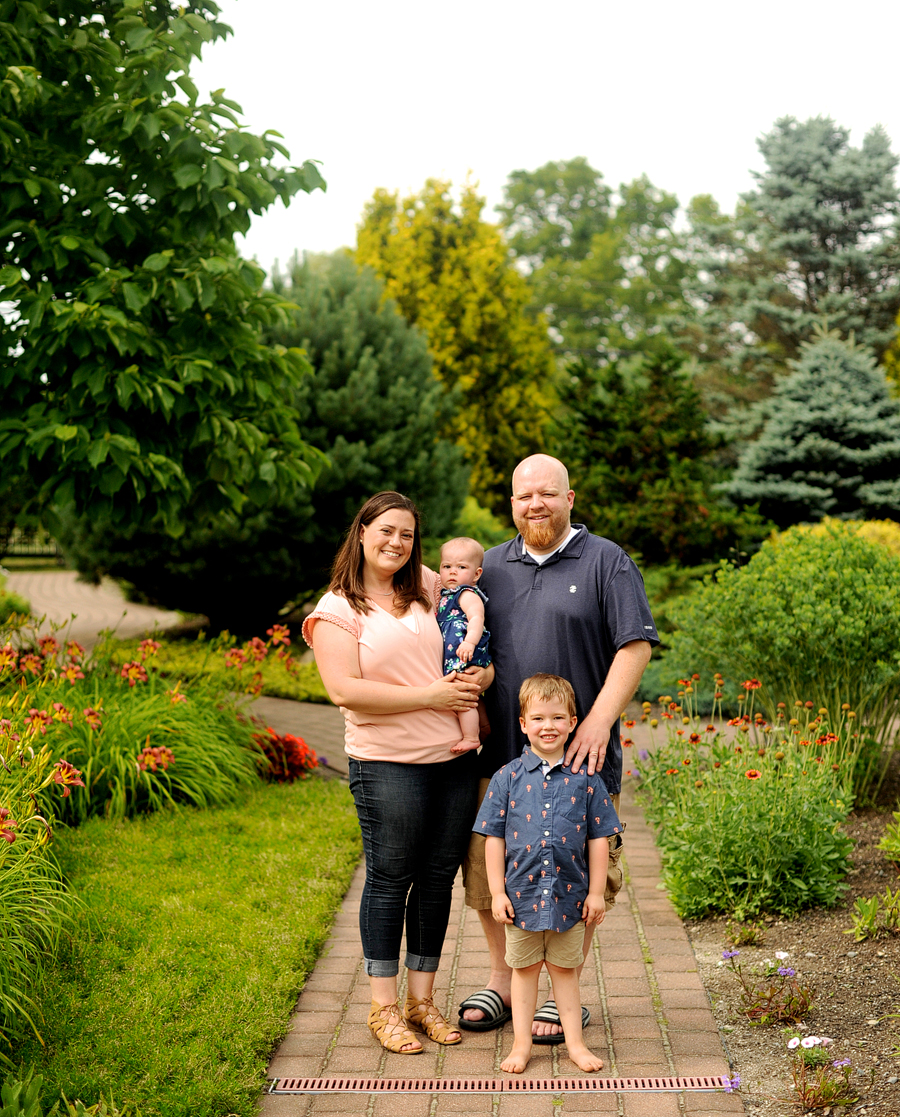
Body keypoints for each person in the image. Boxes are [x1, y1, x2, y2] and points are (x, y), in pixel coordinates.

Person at [458, 454, 659, 1038]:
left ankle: (561, 989)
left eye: (547, 493)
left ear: (569, 498)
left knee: (576, 870)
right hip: (501, 759)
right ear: (511, 503)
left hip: (580, 758)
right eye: (524, 496)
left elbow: (635, 646)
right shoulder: (490, 567)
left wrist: (598, 721)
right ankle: (502, 982)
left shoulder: (606, 561)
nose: (535, 504)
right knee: (491, 872)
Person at [303, 491, 488, 1055]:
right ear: (361, 532)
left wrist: (481, 676)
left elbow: (474, 642)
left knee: (436, 880)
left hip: (453, 760)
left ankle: (421, 1001)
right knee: (390, 878)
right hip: (386, 763)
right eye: (386, 530)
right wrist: (430, 695)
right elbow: (344, 690)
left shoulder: (430, 587)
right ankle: (382, 1007)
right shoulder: (337, 609)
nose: (396, 542)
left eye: (407, 534)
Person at [476, 674, 621, 1073]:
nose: (548, 726)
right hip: (521, 897)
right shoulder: (507, 777)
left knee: (564, 972)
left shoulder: (587, 780)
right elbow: (492, 838)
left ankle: (575, 1045)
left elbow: (599, 839)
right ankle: (521, 1045)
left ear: (573, 722)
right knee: (523, 972)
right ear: (523, 724)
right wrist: (497, 893)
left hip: (569, 898)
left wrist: (595, 893)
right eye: (538, 718)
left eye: (558, 717)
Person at [437, 536, 491, 754]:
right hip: (457, 654)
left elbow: (477, 618)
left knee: (462, 697)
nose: (453, 572)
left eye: (461, 567)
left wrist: (470, 642)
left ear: (476, 574)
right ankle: (484, 727)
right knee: (470, 696)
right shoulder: (445, 595)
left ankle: (471, 737)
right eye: (447, 566)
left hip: (465, 652)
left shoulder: (466, 594)